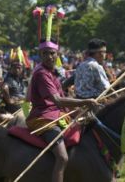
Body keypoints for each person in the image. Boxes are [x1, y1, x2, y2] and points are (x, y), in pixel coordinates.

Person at [26, 39, 99, 182]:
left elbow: (63, 99)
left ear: (57, 54)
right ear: (40, 55)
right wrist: (84, 101)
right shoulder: (41, 73)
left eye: (52, 53)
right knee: (62, 157)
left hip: (58, 115)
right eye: (45, 53)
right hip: (43, 118)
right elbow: (57, 100)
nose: (49, 56)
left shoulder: (52, 73)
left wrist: (79, 110)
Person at [0, 61, 26, 127]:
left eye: (19, 68)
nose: (17, 70)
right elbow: (4, 88)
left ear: (22, 69)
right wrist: (9, 100)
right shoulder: (9, 79)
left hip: (22, 105)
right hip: (15, 108)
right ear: (11, 68)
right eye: (15, 68)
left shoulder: (19, 79)